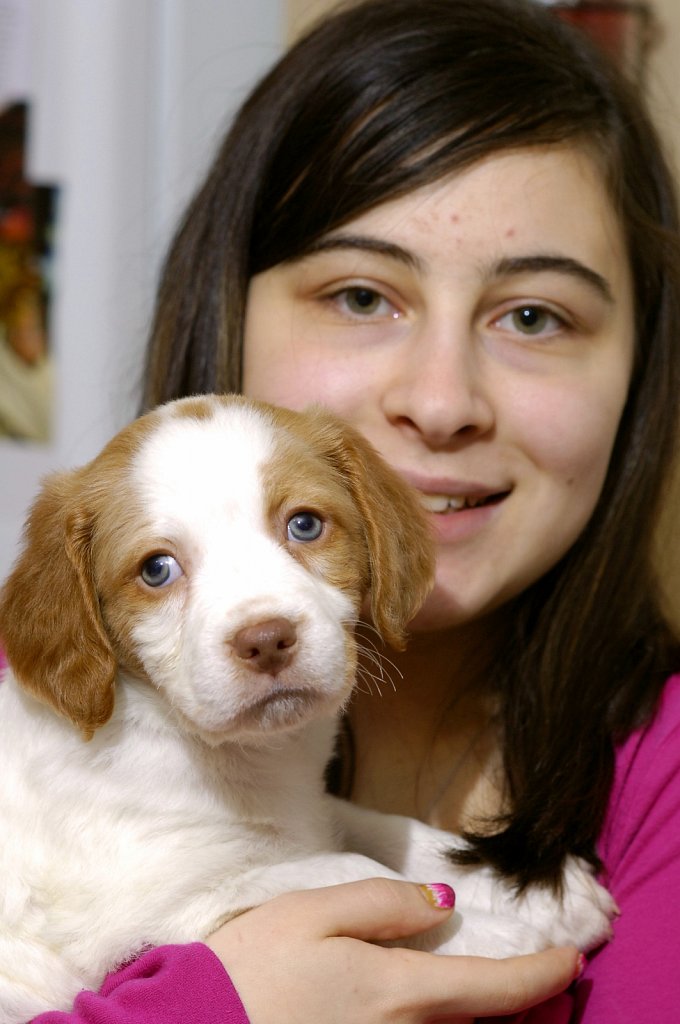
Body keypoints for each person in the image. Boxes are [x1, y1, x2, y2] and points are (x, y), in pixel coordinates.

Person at [27, 0, 680, 1020]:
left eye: (531, 315)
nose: (439, 400)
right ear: (223, 309)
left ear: (640, 373)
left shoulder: (660, 783)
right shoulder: (39, 717)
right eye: (362, 296)